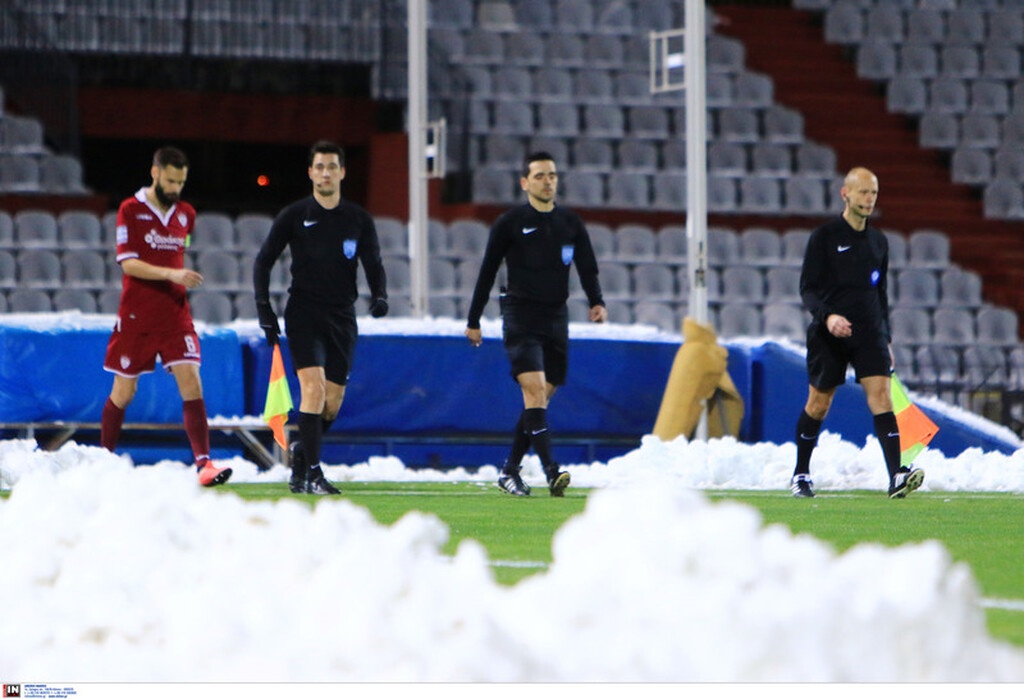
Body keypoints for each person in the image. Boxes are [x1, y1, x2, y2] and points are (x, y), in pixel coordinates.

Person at [465, 151, 607, 497]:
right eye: (540, 175)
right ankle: (551, 471)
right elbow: (487, 270)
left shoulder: (571, 223)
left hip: (556, 318)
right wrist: (474, 319)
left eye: (552, 175)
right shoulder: (510, 223)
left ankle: (509, 470)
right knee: (533, 390)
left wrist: (596, 300)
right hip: (520, 315)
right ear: (525, 183)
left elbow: (587, 266)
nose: (548, 181)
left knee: (540, 398)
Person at [253, 140, 388, 495]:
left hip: (342, 318)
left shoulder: (358, 219)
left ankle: (301, 455)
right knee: (313, 388)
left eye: (332, 166)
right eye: (320, 166)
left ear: (342, 172)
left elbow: (373, 262)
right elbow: (263, 260)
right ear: (310, 172)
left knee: (332, 403)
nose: (326, 172)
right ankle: (314, 471)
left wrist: (380, 296)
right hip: (304, 314)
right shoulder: (295, 215)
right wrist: (264, 309)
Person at [100, 146, 232, 487]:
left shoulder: (186, 213)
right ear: (155, 172)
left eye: (181, 182)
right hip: (137, 315)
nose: (175, 188)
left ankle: (204, 463)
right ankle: (102, 460)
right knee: (124, 393)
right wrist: (171, 275)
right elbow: (128, 263)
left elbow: (176, 251)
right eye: (171, 181)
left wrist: (176, 278)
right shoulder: (130, 210)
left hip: (175, 315)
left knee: (191, 380)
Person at [792, 166, 924, 499]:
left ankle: (896, 476)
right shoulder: (824, 237)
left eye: (874, 193)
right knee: (819, 404)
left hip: (869, 332)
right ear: (845, 194)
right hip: (829, 333)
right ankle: (801, 473)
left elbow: (881, 295)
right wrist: (828, 317)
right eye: (863, 192)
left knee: (881, 397)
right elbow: (807, 289)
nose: (869, 199)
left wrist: (886, 337)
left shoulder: (879, 241)